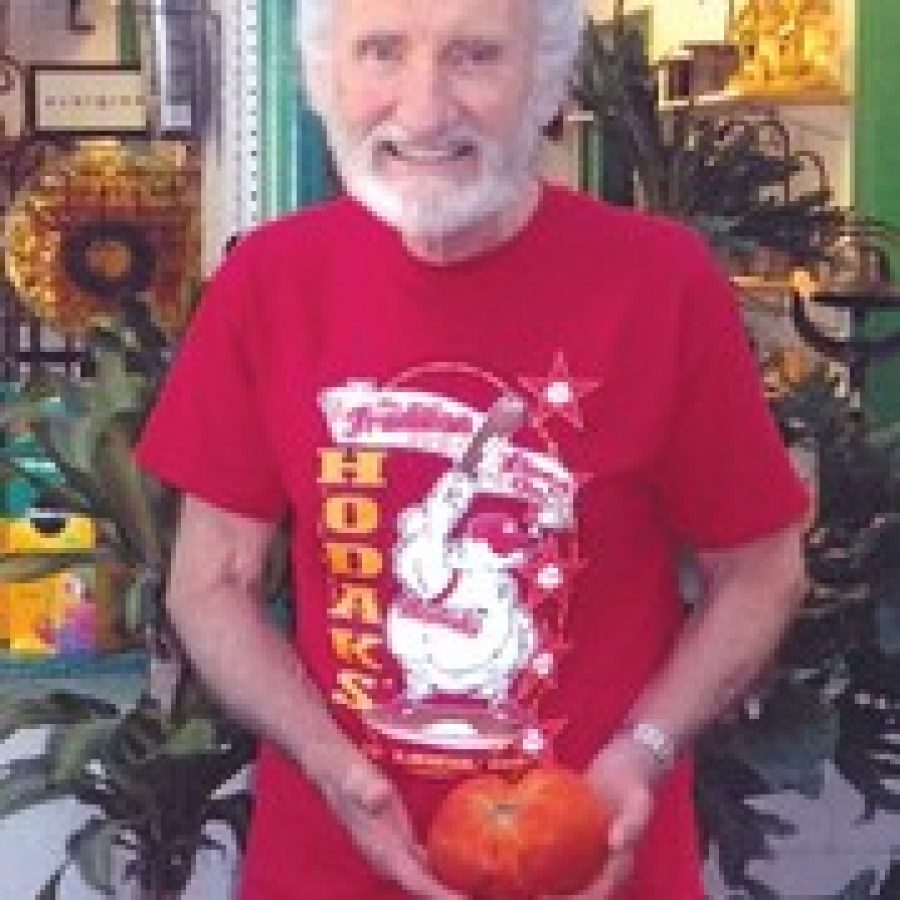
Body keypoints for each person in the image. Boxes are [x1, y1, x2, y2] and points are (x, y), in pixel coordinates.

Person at [135, 0, 809, 897]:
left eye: (474, 56)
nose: (421, 109)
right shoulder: (267, 281)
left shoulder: (660, 282)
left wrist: (637, 756)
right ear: (327, 77)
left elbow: (761, 570)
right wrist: (330, 765)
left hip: (591, 865)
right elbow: (210, 581)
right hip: (326, 869)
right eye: (381, 52)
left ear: (547, 80)